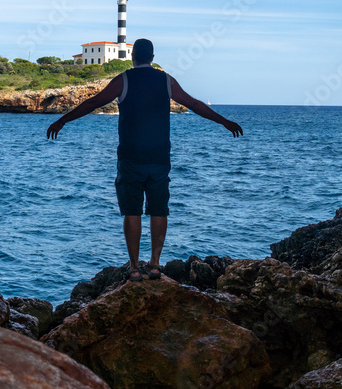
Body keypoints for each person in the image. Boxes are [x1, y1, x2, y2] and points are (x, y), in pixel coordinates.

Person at [46, 38, 243, 282]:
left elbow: (94, 102)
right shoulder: (166, 80)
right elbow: (193, 104)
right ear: (152, 56)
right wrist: (224, 121)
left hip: (131, 157)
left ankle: (135, 267)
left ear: (132, 57)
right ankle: (156, 264)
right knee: (159, 210)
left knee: (132, 211)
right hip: (159, 157)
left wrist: (62, 120)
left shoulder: (124, 79)